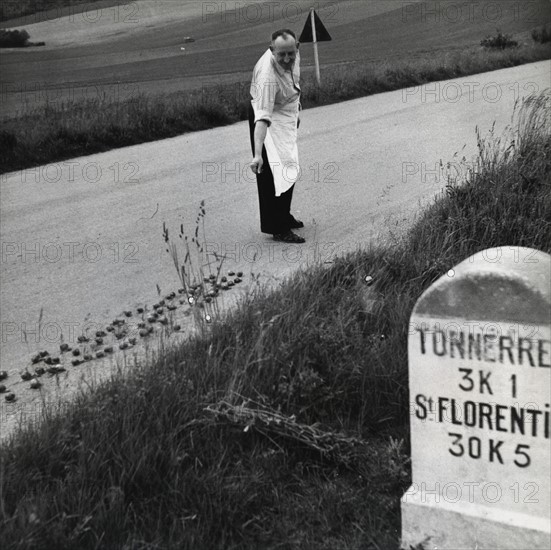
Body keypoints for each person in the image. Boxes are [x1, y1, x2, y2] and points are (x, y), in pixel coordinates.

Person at [249, 29, 305, 243]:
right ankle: (277, 227)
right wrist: (257, 154)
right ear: (272, 50)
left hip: (285, 111)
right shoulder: (267, 77)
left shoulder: (292, 53)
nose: (287, 59)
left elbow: (293, 84)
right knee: (272, 171)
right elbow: (262, 118)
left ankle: (284, 215)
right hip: (265, 115)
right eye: (281, 55)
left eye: (291, 53)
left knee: (290, 164)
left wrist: (295, 111)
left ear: (297, 47)